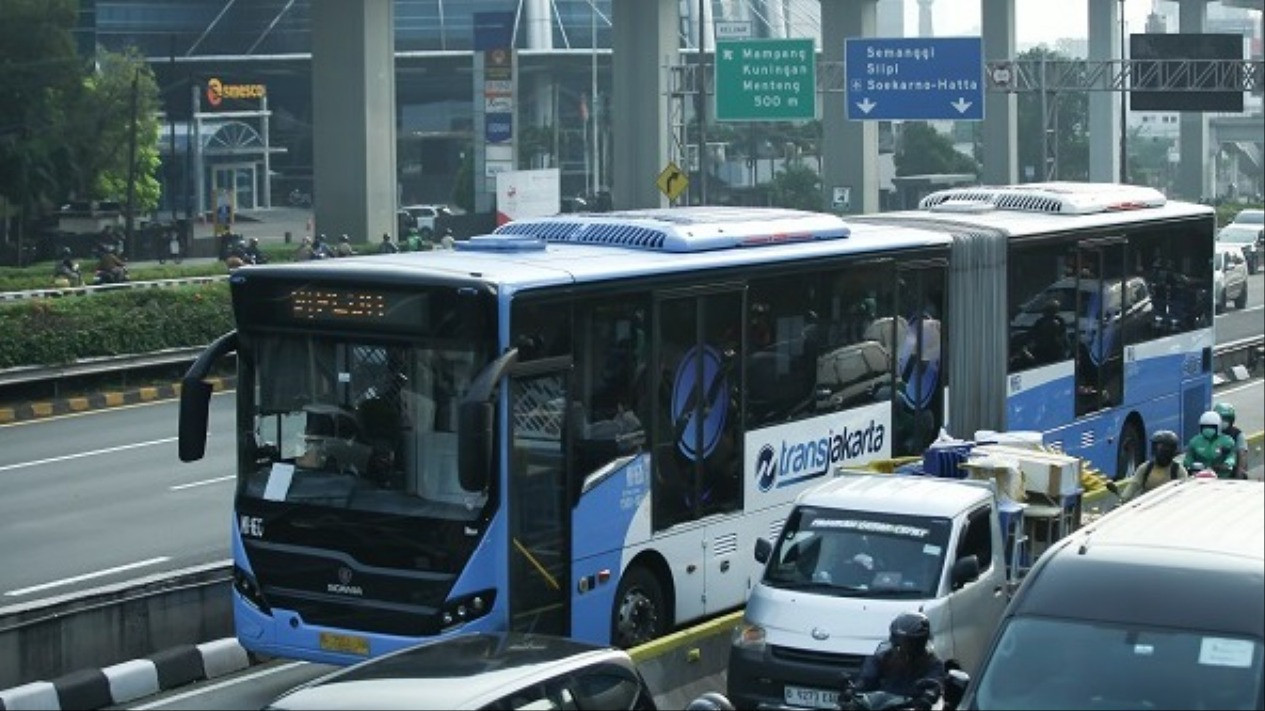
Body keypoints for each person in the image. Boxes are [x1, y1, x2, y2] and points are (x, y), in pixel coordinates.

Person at [855, 611, 945, 707]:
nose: (901, 646)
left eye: (907, 642)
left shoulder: (932, 663)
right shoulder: (882, 658)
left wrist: (927, 696)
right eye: (898, 640)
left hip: (912, 707)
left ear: (919, 643)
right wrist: (852, 689)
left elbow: (934, 684)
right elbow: (866, 679)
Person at [1112, 430, 1188, 502]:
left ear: (1171, 450)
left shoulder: (1178, 471)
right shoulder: (1145, 468)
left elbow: (1184, 495)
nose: (1159, 452)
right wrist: (1122, 500)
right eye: (1157, 447)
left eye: (1163, 448)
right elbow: (1133, 486)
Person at [1183, 410, 1238, 479]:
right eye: (1205, 427)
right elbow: (1188, 458)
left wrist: (1227, 464)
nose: (1208, 429)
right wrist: (1190, 465)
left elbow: (1231, 456)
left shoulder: (1227, 441)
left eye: (1211, 427)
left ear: (1218, 427)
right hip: (1199, 477)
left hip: (1222, 477)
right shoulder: (1194, 441)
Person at [1213, 402, 1249, 479]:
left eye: (1226, 419)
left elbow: (1242, 455)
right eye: (1220, 418)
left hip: (1230, 473)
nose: (1223, 421)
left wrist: (1238, 476)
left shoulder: (1237, 434)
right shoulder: (1210, 433)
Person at [1027, 298, 1069, 364]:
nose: (1045, 312)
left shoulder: (1060, 321)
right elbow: (1033, 334)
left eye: (1049, 310)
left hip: (1055, 351)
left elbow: (1063, 337)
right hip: (1042, 350)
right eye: (1046, 310)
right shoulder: (1040, 321)